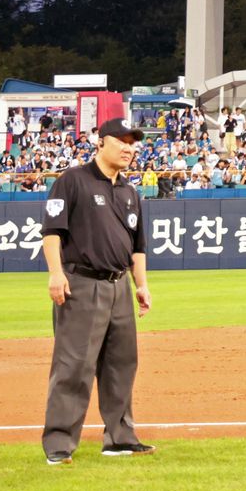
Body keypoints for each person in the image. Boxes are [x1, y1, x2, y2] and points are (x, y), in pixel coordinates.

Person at [40, 118, 154, 464]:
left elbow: (137, 248)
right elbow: (52, 232)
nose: (129, 148)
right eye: (121, 141)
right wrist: (56, 274)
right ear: (100, 142)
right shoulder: (73, 180)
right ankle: (59, 444)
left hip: (119, 287)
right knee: (74, 364)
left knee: (121, 364)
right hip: (82, 284)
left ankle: (119, 438)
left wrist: (141, 285)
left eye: (132, 143)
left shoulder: (130, 192)